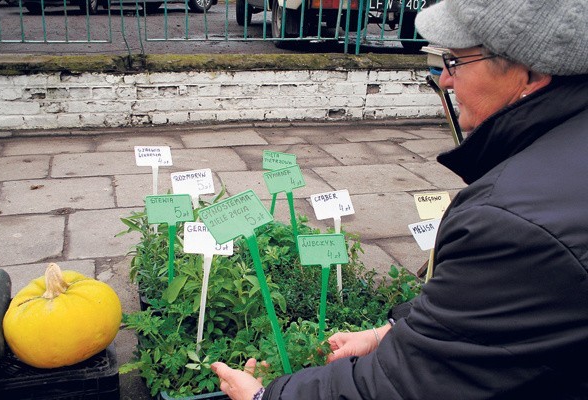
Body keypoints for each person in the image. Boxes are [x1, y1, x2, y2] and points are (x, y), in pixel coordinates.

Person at [212, 0, 588, 398]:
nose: (444, 79)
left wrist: (263, 396)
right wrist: (387, 332)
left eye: (456, 61)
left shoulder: (512, 223)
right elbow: (501, 322)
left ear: (529, 74)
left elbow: (403, 388)